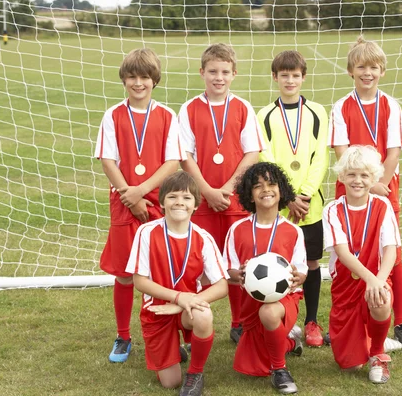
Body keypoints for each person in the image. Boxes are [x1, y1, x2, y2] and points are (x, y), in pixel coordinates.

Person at [94, 48, 185, 363]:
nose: (138, 82)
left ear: (154, 80)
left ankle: (171, 333)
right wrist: (127, 194)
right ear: (124, 79)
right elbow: (107, 159)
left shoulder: (167, 116)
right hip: (122, 201)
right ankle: (123, 336)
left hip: (157, 201)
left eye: (144, 77)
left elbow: (172, 162)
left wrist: (142, 191)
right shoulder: (113, 115)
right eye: (132, 77)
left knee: (161, 270)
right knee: (124, 274)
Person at [327, 36, 402, 347]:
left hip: (384, 186)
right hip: (351, 187)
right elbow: (341, 150)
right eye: (361, 67)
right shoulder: (341, 106)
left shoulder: (390, 105)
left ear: (383, 71)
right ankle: (346, 317)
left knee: (394, 254)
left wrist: (380, 184)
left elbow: (393, 151)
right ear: (351, 70)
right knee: (350, 253)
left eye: (374, 67)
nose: (368, 73)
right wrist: (363, 182)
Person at [178, 43, 265, 344]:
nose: (219, 77)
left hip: (234, 201)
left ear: (234, 74)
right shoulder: (189, 108)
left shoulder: (242, 107)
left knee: (238, 265)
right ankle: (191, 325)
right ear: (202, 73)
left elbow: (252, 152)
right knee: (197, 265)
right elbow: (185, 155)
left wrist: (226, 189)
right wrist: (207, 191)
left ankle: (240, 323)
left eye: (225, 72)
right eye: (212, 71)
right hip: (202, 202)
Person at [126, 171, 228, 396]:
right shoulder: (146, 232)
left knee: (203, 314)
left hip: (188, 308)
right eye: (172, 197)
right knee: (170, 382)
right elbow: (139, 281)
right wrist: (178, 297)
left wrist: (182, 303)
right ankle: (172, 349)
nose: (179, 202)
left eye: (186, 198)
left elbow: (222, 286)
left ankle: (195, 374)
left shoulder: (204, 238)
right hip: (157, 310)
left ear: (196, 204)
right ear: (162, 202)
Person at [258, 50, 329, 348]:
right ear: (275, 77)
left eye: (295, 75)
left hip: (309, 203)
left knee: (310, 262)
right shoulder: (264, 115)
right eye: (284, 75)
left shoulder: (317, 112)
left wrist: (305, 194)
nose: (290, 80)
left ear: (303, 77)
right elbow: (266, 158)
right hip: (277, 204)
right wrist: (286, 198)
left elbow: (321, 156)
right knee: (277, 263)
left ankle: (310, 321)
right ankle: (284, 321)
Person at [224, 162, 308, 395]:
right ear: (249, 195)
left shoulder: (293, 231)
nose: (265, 190)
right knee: (251, 362)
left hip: (284, 300)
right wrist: (236, 274)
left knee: (269, 312)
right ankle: (290, 342)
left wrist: (297, 277)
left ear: (281, 190)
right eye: (258, 186)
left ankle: (279, 370)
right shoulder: (237, 229)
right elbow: (228, 268)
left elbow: (301, 270)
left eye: (271, 184)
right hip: (251, 302)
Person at [322, 145, 400, 384]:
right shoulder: (332, 210)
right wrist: (371, 279)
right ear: (342, 176)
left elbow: (390, 251)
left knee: (382, 298)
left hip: (376, 279)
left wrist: (378, 281)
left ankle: (378, 353)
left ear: (373, 178)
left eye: (364, 175)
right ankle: (376, 335)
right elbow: (343, 253)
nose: (358, 181)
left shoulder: (382, 205)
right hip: (346, 285)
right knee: (349, 365)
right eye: (352, 174)